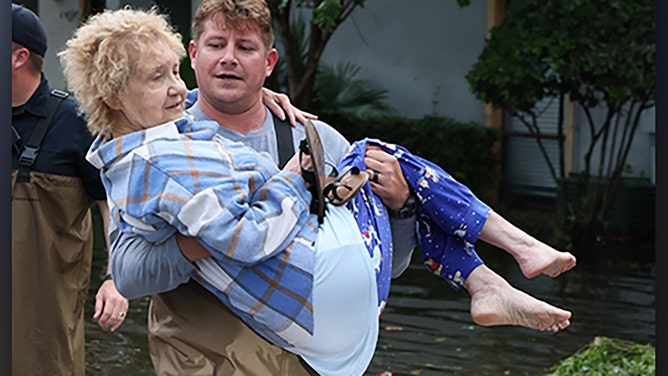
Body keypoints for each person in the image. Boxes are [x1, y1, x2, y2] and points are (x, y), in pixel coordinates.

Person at [61, 5, 576, 375]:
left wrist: (397, 207)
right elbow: (128, 271)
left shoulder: (313, 137)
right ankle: (491, 275)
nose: (229, 59)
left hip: (308, 348)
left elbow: (385, 265)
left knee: (392, 172)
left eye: (246, 48)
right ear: (195, 54)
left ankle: (488, 280)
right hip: (209, 359)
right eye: (216, 45)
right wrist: (200, 242)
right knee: (388, 155)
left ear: (269, 62)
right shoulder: (159, 140)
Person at [10, 4, 128, 375]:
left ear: (18, 56)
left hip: (46, 325)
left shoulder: (77, 121)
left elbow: (114, 206)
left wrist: (115, 279)